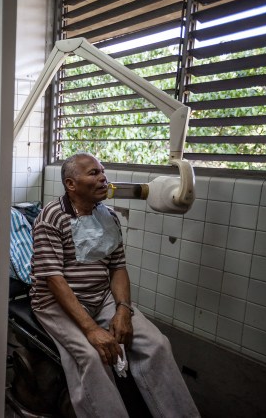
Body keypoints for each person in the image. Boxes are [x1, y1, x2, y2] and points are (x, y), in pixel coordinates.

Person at [29, 152, 199, 417]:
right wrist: (91, 329)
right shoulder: (51, 217)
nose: (103, 178)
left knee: (157, 344)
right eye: (93, 173)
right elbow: (54, 279)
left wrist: (123, 310)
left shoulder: (109, 216)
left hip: (102, 297)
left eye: (102, 171)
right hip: (55, 301)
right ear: (71, 184)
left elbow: (117, 267)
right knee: (93, 357)